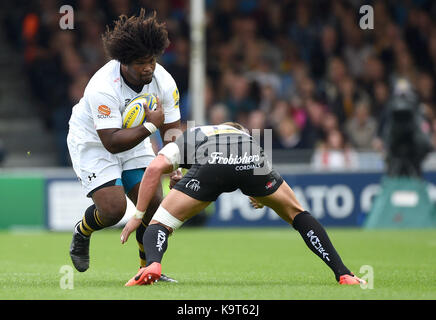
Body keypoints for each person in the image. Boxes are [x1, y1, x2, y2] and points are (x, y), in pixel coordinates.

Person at [120, 122, 366, 286]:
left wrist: (137, 214)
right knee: (298, 214)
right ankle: (344, 273)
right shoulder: (245, 136)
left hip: (212, 165)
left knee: (160, 224)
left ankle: (153, 264)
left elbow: (154, 169)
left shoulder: (190, 137)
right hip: (252, 155)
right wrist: (258, 194)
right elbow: (239, 168)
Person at [67, 9, 181, 282]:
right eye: (141, 63)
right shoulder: (102, 87)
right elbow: (111, 142)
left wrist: (177, 168)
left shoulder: (163, 81)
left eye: (151, 61)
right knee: (113, 210)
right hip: (95, 141)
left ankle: (147, 271)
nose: (148, 68)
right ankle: (82, 231)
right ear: (124, 62)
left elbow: (172, 129)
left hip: (136, 137)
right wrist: (150, 127)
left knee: (155, 207)